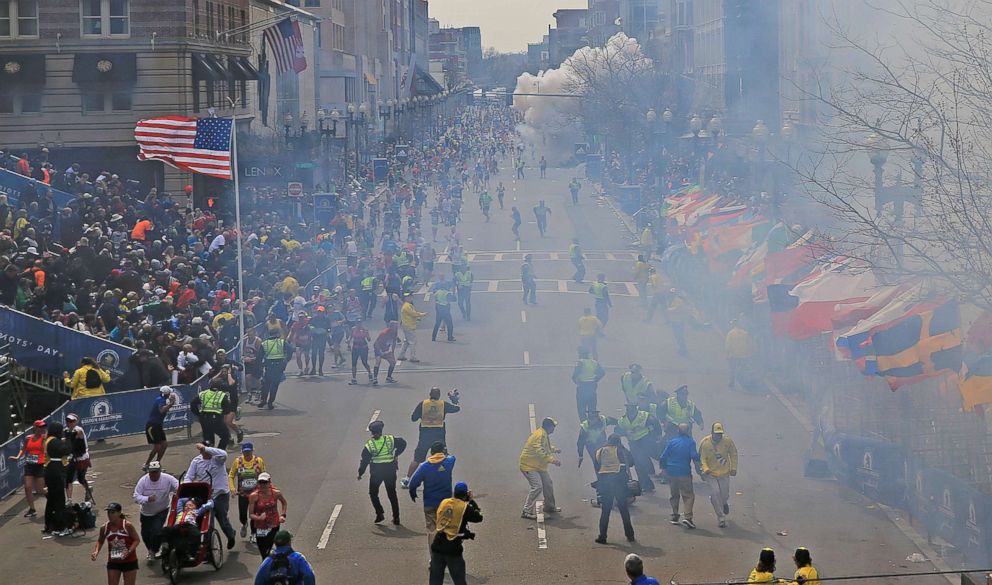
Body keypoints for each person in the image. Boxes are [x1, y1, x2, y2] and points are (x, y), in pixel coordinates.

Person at [429, 482, 483, 585]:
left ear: (454, 492)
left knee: (435, 581)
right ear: (466, 494)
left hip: (438, 545)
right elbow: (479, 517)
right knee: (459, 581)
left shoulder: (444, 502)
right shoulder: (465, 507)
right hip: (453, 549)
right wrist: (471, 501)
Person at [185, 443, 237, 549]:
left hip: (220, 495)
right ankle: (209, 550)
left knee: (222, 519)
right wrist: (188, 488)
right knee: (208, 523)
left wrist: (206, 448)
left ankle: (231, 535)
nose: (205, 453)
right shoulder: (196, 461)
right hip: (206, 496)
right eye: (203, 451)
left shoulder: (218, 459)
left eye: (207, 450)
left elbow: (224, 454)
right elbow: (188, 477)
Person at [405, 386, 461, 481]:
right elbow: (457, 409)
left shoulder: (423, 404)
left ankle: (407, 479)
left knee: (417, 458)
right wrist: (454, 399)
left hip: (425, 435)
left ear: (430, 394)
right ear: (439, 395)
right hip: (439, 435)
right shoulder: (443, 404)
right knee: (443, 458)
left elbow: (413, 418)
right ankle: (444, 478)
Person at [357, 420, 407, 524]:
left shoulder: (369, 445)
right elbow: (403, 443)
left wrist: (360, 473)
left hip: (376, 472)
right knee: (392, 494)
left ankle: (379, 513)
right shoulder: (390, 439)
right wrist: (396, 454)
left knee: (373, 493)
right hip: (390, 470)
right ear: (381, 430)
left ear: (371, 432)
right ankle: (396, 518)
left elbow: (364, 460)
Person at [408, 441, 456, 547]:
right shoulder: (449, 462)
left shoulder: (424, 466)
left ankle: (434, 558)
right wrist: (445, 452)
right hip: (446, 504)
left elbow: (413, 483)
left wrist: (413, 493)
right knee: (446, 528)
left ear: (431, 452)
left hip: (430, 503)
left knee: (432, 530)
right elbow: (452, 457)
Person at [132, 461, 179, 561]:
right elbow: (136, 497)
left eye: (156, 472)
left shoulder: (167, 478)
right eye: (152, 472)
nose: (154, 475)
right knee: (145, 535)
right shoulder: (143, 481)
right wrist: (147, 499)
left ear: (160, 471)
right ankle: (153, 548)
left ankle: (154, 550)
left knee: (156, 530)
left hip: (162, 510)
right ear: (148, 472)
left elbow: (178, 486)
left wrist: (178, 492)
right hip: (146, 512)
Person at [594, 434, 635, 544]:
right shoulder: (621, 450)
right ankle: (630, 535)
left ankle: (602, 536)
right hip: (619, 482)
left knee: (605, 511)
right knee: (623, 509)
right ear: (619, 442)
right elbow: (631, 462)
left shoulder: (600, 451)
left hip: (604, 483)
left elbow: (597, 465)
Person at [659, 422, 702, 529]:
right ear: (688, 431)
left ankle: (675, 516)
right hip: (684, 472)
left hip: (671, 472)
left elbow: (663, 457)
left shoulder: (672, 442)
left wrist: (664, 469)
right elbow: (694, 456)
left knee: (674, 494)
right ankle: (687, 517)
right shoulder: (690, 442)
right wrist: (699, 457)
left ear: (677, 431)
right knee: (688, 495)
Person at [519, 416, 561, 519]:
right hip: (528, 466)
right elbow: (540, 451)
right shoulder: (540, 435)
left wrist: (554, 450)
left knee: (548, 483)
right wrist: (553, 460)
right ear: (549, 427)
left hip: (537, 466)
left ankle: (549, 506)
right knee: (537, 487)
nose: (554, 428)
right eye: (553, 426)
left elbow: (545, 447)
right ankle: (526, 511)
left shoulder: (544, 434)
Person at [699, 421, 738, 528]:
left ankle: (724, 503)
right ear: (712, 433)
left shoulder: (727, 441)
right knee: (715, 493)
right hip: (710, 473)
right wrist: (705, 469)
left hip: (724, 472)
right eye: (716, 433)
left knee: (724, 495)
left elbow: (733, 453)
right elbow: (702, 458)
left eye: (720, 433)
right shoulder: (705, 443)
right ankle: (721, 517)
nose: (718, 436)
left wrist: (734, 468)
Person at [91, 502, 141, 585]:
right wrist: (96, 552)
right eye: (108, 512)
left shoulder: (127, 526)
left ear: (119, 513)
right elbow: (100, 541)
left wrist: (129, 551)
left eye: (112, 512)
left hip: (129, 561)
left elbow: (137, 540)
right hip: (114, 561)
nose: (110, 515)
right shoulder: (105, 528)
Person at [616, 403, 662, 493]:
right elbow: (617, 430)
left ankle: (670, 472)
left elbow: (655, 422)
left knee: (658, 455)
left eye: (632, 409)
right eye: (629, 410)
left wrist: (658, 435)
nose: (631, 412)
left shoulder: (644, 415)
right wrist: (625, 432)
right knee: (639, 464)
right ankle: (646, 485)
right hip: (634, 444)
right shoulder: (623, 420)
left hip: (646, 440)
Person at [9, 419, 47, 517]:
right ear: (35, 428)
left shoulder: (44, 438)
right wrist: (18, 457)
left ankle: (53, 500)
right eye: (40, 427)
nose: (42, 429)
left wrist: (44, 438)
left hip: (40, 465)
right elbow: (23, 449)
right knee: (27, 487)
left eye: (43, 427)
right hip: (29, 465)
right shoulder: (28, 438)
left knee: (40, 490)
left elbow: (45, 450)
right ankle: (32, 509)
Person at [229, 442, 266, 540]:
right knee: (242, 514)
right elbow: (231, 475)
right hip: (242, 494)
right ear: (242, 452)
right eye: (245, 452)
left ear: (252, 451)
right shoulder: (238, 461)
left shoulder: (259, 461)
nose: (247, 454)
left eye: (249, 452)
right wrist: (232, 489)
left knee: (254, 514)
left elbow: (264, 476)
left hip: (256, 494)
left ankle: (253, 534)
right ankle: (244, 524)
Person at [248, 472, 288, 560]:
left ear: (269, 482)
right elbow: (250, 515)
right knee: (263, 551)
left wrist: (283, 515)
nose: (262, 485)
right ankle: (267, 564)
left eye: (265, 482)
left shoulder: (276, 493)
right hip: (260, 527)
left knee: (268, 549)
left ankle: (269, 567)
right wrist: (259, 518)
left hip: (274, 524)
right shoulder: (254, 496)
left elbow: (284, 503)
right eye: (260, 482)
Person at [43, 421, 70, 535]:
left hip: (49, 472)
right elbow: (65, 451)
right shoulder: (54, 441)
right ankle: (60, 527)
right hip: (56, 473)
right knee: (59, 501)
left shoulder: (49, 440)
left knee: (51, 500)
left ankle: (49, 525)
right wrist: (68, 440)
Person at [191, 378, 232, 449]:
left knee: (208, 440)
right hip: (216, 419)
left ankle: (206, 453)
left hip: (204, 418)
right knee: (225, 436)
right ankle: (219, 453)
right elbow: (227, 410)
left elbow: (193, 403)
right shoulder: (222, 395)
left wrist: (199, 414)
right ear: (220, 386)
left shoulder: (203, 393)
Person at [260, 329, 294, 409]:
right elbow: (291, 349)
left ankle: (263, 399)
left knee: (266, 384)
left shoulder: (264, 343)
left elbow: (259, 356)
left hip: (268, 366)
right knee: (274, 385)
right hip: (278, 366)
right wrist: (287, 359)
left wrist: (260, 366)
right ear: (277, 334)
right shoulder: (281, 342)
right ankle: (270, 402)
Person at [144, 386, 176, 470]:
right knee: (157, 447)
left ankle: (157, 464)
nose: (170, 394)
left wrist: (170, 403)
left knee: (164, 445)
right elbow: (161, 410)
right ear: (166, 393)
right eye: (169, 393)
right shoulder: (160, 400)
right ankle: (146, 465)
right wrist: (171, 404)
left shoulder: (162, 399)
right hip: (152, 426)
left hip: (158, 426)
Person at [64, 413, 92, 502]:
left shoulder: (79, 430)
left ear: (76, 421)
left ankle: (88, 489)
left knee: (80, 478)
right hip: (71, 458)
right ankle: (69, 500)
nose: (69, 423)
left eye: (72, 421)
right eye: (68, 421)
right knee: (68, 479)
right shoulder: (66, 430)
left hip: (82, 458)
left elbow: (73, 436)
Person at [572, 347, 605, 419]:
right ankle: (592, 426)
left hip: (582, 387)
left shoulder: (580, 362)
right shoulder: (594, 362)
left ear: (580, 353)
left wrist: (577, 382)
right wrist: (596, 379)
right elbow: (602, 372)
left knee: (581, 410)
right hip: (592, 387)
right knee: (592, 409)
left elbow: (574, 376)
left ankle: (584, 426)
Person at [725, 319, 754, 389]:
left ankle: (731, 381)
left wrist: (727, 355)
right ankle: (746, 381)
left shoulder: (730, 333)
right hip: (744, 355)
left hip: (734, 355)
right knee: (745, 368)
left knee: (732, 369)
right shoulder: (745, 333)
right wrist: (750, 354)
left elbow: (728, 346)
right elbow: (750, 345)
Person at [398, 295, 427, 363]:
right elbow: (413, 314)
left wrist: (417, 318)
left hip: (407, 325)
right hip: (409, 326)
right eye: (410, 297)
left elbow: (411, 315)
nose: (411, 298)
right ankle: (412, 357)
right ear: (406, 298)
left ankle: (401, 355)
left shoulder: (407, 305)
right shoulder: (407, 306)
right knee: (412, 342)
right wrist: (422, 314)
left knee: (406, 342)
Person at [373, 320, 400, 385]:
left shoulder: (395, 332)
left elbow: (394, 342)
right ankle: (375, 378)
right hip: (379, 349)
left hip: (386, 350)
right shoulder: (384, 333)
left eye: (397, 326)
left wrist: (392, 352)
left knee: (393, 363)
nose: (397, 328)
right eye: (395, 326)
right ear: (391, 327)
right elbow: (376, 343)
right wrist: (380, 351)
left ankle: (389, 377)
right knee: (378, 362)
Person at [349, 319, 373, 385]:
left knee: (364, 362)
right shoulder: (353, 329)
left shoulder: (365, 329)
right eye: (357, 323)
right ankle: (354, 378)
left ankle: (370, 373)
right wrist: (348, 340)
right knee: (354, 363)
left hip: (363, 348)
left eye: (360, 323)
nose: (358, 324)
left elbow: (369, 339)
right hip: (355, 348)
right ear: (355, 323)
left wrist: (366, 334)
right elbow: (351, 336)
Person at [667, 288, 690, 356]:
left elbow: (676, 309)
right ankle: (682, 348)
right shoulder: (674, 299)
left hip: (678, 321)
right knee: (677, 336)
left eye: (671, 293)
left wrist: (668, 309)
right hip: (675, 320)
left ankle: (683, 349)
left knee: (679, 336)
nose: (670, 294)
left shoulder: (678, 300)